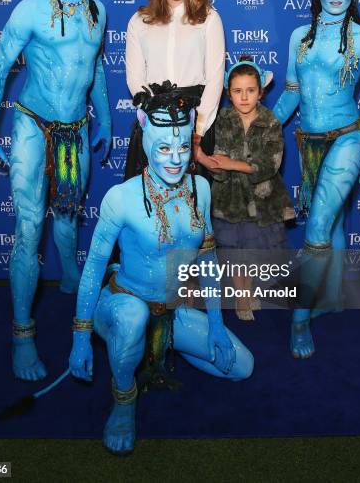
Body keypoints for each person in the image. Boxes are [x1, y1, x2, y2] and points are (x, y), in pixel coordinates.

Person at [69, 82, 254, 455]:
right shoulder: (120, 198)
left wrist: (217, 326)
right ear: (145, 143)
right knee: (134, 318)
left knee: (241, 367)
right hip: (122, 305)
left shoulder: (200, 189)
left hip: (171, 310)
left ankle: (164, 345)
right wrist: (80, 338)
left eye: (183, 147)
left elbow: (207, 262)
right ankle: (124, 401)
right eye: (163, 148)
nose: (174, 158)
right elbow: (92, 270)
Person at [0, 0, 112, 381]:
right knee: (30, 227)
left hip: (75, 131)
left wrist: (108, 122)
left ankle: (71, 281)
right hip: (33, 127)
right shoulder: (28, 11)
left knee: (70, 216)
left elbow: (94, 68)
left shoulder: (98, 12)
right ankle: (22, 332)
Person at [273, 0, 360, 358]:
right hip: (310, 144)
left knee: (317, 229)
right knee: (333, 224)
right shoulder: (298, 38)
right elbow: (291, 94)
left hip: (348, 139)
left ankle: (300, 320)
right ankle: (332, 298)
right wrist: (262, 124)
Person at [125, 0, 225, 177]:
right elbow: (135, 79)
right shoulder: (139, 21)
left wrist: (197, 127)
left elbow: (214, 79)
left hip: (195, 120)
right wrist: (155, 122)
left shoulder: (209, 18)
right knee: (149, 207)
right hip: (152, 122)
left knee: (192, 205)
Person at [209, 57, 295, 320]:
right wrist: (216, 165)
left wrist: (231, 163)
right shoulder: (221, 120)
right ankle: (241, 296)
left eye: (250, 90)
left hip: (261, 200)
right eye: (237, 91)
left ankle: (250, 291)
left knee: (252, 252)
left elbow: (270, 164)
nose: (244, 97)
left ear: (261, 92)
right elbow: (218, 158)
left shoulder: (270, 122)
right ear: (228, 93)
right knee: (235, 253)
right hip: (229, 199)